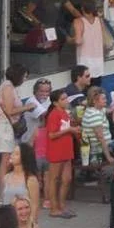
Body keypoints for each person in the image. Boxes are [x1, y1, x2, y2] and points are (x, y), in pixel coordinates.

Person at [41, 90, 76, 218]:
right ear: (55, 102)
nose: (66, 101)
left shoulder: (65, 113)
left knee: (67, 179)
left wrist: (74, 129)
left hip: (67, 150)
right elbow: (51, 134)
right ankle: (54, 208)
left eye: (66, 98)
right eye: (63, 99)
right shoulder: (54, 115)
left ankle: (62, 205)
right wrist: (70, 129)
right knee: (54, 179)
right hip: (56, 150)